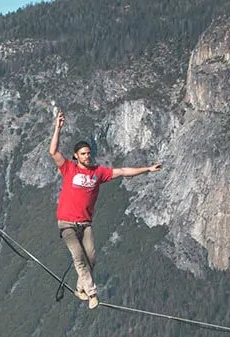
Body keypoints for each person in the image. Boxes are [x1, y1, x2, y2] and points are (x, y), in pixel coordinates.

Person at [49, 109, 162, 309]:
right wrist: (57, 128)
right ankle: (92, 294)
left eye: (88, 153)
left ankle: (81, 288)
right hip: (66, 223)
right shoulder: (69, 168)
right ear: (76, 156)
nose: (87, 156)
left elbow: (124, 171)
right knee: (78, 256)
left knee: (91, 258)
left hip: (85, 224)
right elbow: (53, 152)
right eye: (83, 154)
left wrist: (147, 169)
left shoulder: (98, 173)